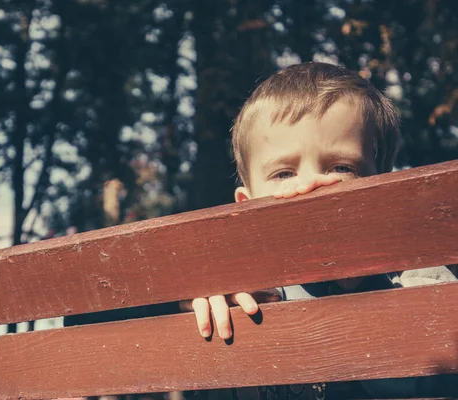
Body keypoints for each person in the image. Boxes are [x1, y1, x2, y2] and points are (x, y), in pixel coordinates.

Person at [180, 61, 457, 399]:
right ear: (245, 206)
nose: (311, 184)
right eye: (284, 173)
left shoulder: (418, 277)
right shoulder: (240, 293)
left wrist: (368, 288)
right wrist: (211, 308)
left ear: (384, 187)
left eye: (342, 167)